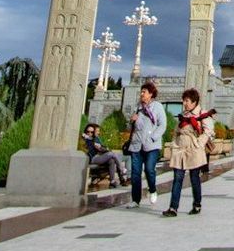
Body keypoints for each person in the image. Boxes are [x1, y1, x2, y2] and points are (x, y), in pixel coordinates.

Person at [163, 88, 213, 217]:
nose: (184, 103)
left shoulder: (202, 114)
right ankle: (173, 208)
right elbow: (176, 131)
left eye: (187, 101)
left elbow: (208, 132)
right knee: (177, 178)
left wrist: (198, 144)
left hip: (193, 150)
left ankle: (197, 204)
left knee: (194, 178)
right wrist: (174, 144)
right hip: (180, 150)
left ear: (194, 102)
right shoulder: (184, 115)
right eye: (184, 100)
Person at [125, 80, 164, 208]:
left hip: (151, 145)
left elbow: (162, 124)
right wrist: (131, 120)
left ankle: (152, 190)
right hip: (137, 144)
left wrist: (153, 137)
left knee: (149, 169)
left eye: (144, 92)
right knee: (135, 173)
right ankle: (136, 200)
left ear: (151, 94)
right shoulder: (138, 107)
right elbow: (133, 126)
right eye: (141, 92)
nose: (142, 94)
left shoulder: (157, 106)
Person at [82, 122, 127, 186]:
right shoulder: (85, 137)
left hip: (98, 156)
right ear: (85, 131)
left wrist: (100, 147)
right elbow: (87, 141)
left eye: (92, 132)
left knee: (112, 160)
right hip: (92, 158)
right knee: (111, 154)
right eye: (88, 131)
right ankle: (121, 169)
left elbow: (101, 147)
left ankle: (112, 181)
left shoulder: (93, 138)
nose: (90, 133)